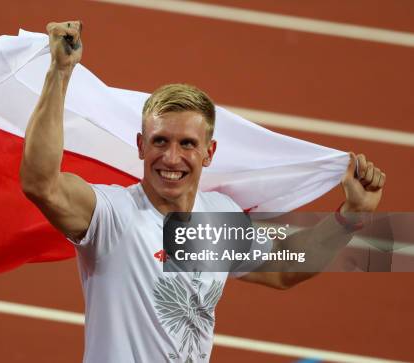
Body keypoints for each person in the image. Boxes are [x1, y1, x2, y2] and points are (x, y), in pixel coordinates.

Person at [19, 20, 386, 363]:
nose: (172, 157)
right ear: (141, 146)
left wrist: (349, 219)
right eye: (159, 141)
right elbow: (42, 183)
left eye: (187, 144)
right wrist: (60, 72)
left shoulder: (217, 219)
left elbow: (282, 267)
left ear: (208, 153)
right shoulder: (114, 217)